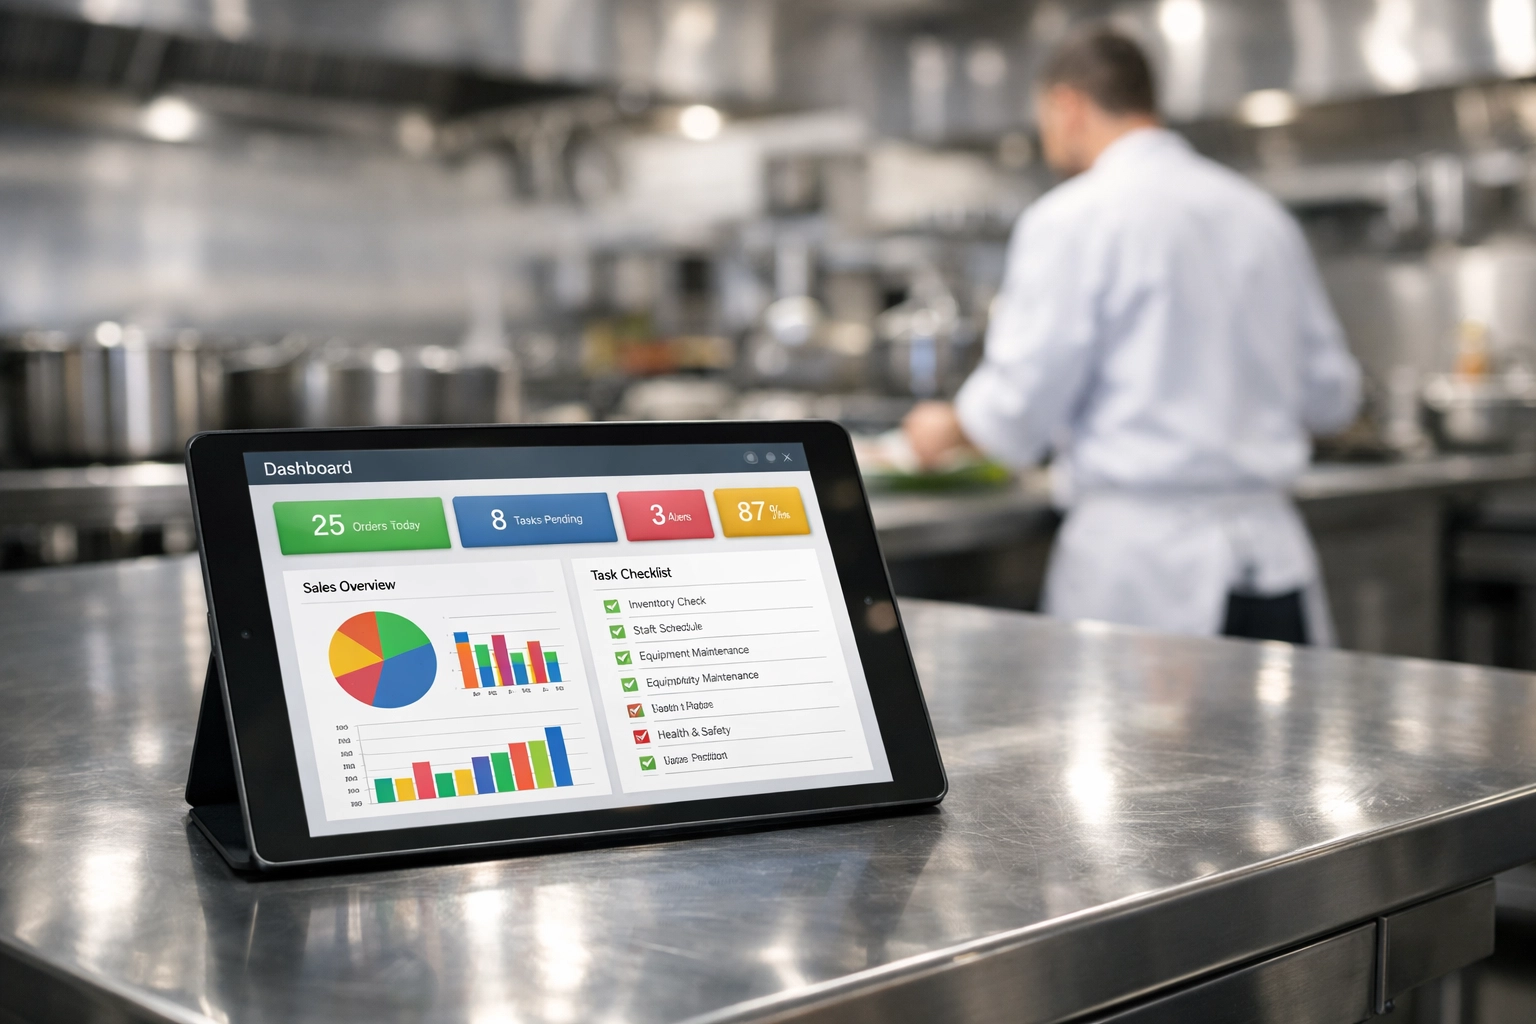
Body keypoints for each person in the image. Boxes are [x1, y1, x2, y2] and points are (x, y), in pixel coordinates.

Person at [903, 26, 1361, 644]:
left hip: (1145, 579)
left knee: (1142, 747)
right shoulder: (1260, 214)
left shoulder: (1072, 218)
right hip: (1270, 566)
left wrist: (946, 428)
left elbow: (1018, 408)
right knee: (1275, 743)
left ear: (1067, 106)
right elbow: (1332, 398)